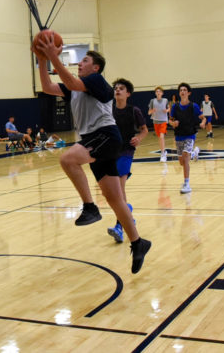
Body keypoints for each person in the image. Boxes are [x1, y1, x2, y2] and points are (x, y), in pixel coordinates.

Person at [34, 34, 151, 274]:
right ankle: (139, 243)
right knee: (115, 199)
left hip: (106, 135)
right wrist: (41, 60)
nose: (80, 63)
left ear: (95, 67)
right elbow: (47, 87)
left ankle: (89, 207)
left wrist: (53, 56)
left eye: (85, 60)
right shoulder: (74, 88)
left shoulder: (98, 81)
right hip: (95, 139)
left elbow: (75, 83)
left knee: (67, 158)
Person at [108, 78, 148, 244]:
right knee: (113, 191)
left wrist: (139, 138)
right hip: (111, 153)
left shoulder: (134, 111)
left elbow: (144, 130)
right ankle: (128, 211)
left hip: (126, 152)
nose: (118, 90)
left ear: (128, 93)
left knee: (119, 187)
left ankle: (119, 226)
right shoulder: (109, 110)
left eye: (121, 88)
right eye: (116, 88)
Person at [169, 83, 205, 194]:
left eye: (185, 90)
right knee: (182, 162)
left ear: (188, 93)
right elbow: (170, 120)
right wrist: (173, 123)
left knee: (185, 158)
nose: (182, 92)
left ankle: (186, 184)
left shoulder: (193, 106)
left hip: (190, 134)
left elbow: (202, 117)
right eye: (181, 90)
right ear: (179, 93)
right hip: (179, 135)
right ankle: (194, 153)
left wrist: (203, 122)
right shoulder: (175, 106)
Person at [148, 86, 170, 162]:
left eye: (159, 91)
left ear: (162, 93)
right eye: (157, 91)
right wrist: (152, 111)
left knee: (161, 137)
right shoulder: (152, 101)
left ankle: (163, 154)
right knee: (159, 138)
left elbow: (169, 109)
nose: (158, 92)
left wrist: (166, 111)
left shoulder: (165, 100)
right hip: (155, 121)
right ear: (155, 93)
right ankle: (164, 151)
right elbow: (149, 112)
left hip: (163, 121)